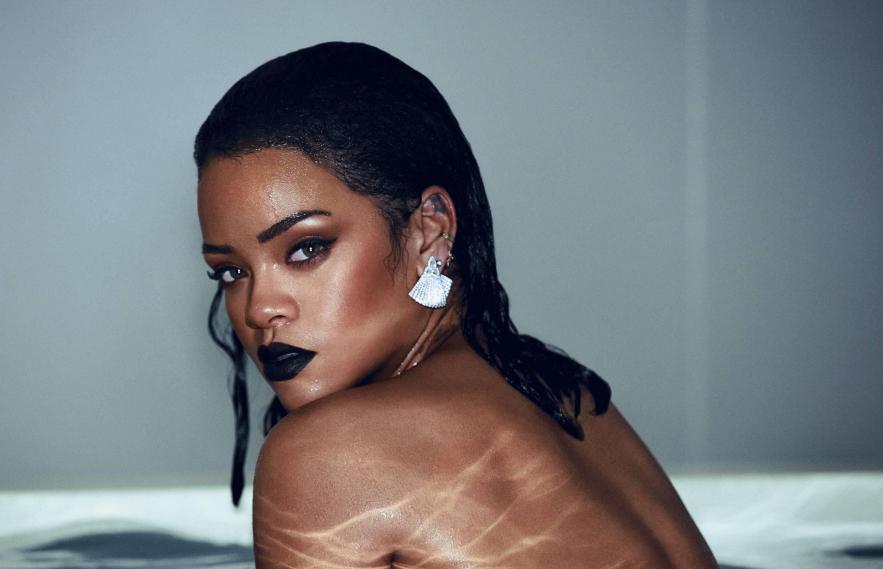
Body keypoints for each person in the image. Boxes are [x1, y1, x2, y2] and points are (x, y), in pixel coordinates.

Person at [194, 41, 718, 569]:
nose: (259, 309)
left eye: (307, 249)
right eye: (231, 272)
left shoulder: (327, 457)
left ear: (429, 230)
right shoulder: (568, 398)